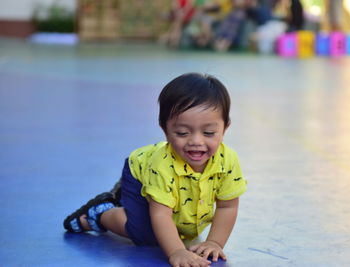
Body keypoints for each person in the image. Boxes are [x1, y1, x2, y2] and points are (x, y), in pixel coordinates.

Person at [63, 73, 247, 267]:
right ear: (165, 129)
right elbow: (161, 215)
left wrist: (214, 242)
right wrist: (176, 251)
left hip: (162, 182)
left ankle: (120, 196)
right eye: (182, 133)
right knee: (146, 235)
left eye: (209, 133)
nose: (196, 142)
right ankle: (101, 213)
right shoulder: (162, 165)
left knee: (179, 230)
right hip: (139, 175)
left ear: (225, 127)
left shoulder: (228, 160)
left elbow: (228, 206)